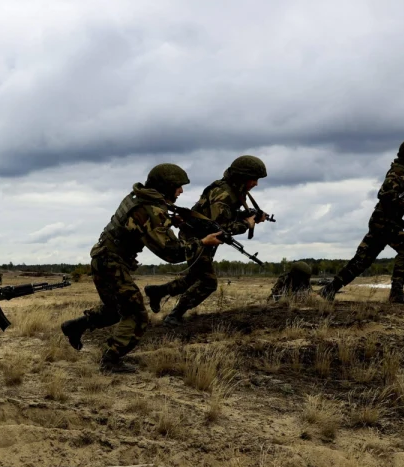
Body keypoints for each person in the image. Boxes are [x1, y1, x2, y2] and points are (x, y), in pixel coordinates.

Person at [60, 164, 221, 373]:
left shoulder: (138, 198)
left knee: (114, 310)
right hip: (111, 264)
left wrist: (171, 220)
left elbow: (139, 227)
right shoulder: (148, 209)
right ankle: (110, 360)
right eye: (179, 187)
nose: (181, 191)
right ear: (166, 186)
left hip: (104, 260)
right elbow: (171, 253)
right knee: (136, 316)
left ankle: (75, 327)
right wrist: (203, 243)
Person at [144, 155, 268, 324]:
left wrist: (248, 215)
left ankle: (157, 292)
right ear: (242, 177)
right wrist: (247, 224)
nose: (256, 184)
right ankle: (174, 315)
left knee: (195, 277)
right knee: (208, 282)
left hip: (201, 234)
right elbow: (223, 228)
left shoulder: (231, 190)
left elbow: (223, 217)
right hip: (196, 237)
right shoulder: (224, 194)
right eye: (254, 179)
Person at [321, 138, 404, 304]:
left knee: (362, 260)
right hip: (385, 222)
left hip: (383, 222)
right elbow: (384, 195)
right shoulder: (399, 171)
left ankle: (329, 290)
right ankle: (396, 294)